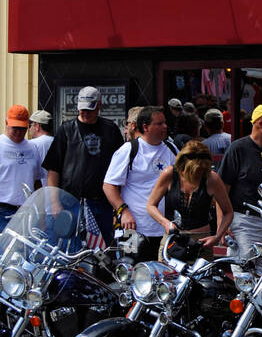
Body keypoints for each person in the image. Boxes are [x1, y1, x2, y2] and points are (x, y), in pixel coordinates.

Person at [44, 87, 124, 246]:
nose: (85, 113)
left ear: (99, 106)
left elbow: (120, 171)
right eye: (82, 109)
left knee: (103, 249)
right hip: (71, 201)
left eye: (89, 109)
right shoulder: (66, 129)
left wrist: (118, 206)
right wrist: (54, 202)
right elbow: (53, 169)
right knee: (69, 247)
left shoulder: (111, 129)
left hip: (102, 202)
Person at [103, 106, 176, 259]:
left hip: (164, 228)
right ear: (145, 127)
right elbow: (109, 185)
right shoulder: (129, 149)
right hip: (133, 227)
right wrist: (123, 212)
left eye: (165, 123)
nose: (165, 127)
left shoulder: (172, 149)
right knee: (131, 271)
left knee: (162, 275)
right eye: (159, 123)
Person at [218, 103, 262, 265]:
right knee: (245, 271)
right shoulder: (237, 149)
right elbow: (222, 191)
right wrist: (222, 227)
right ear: (260, 123)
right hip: (244, 221)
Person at [146, 140, 233, 253]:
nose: (198, 174)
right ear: (183, 166)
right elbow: (150, 205)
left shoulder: (211, 178)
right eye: (195, 171)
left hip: (201, 241)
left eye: (202, 170)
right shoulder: (170, 174)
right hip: (172, 240)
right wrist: (166, 223)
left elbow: (228, 212)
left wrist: (217, 236)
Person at [0, 105, 42, 231]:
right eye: (15, 128)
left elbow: (37, 180)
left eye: (22, 128)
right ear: (7, 123)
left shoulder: (32, 147)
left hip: (27, 211)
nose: (18, 132)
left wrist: (40, 208)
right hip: (2, 209)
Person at [28, 109, 54, 184]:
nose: (29, 129)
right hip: (56, 191)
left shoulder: (31, 144)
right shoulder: (58, 142)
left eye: (30, 125)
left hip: (39, 191)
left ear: (37, 126)